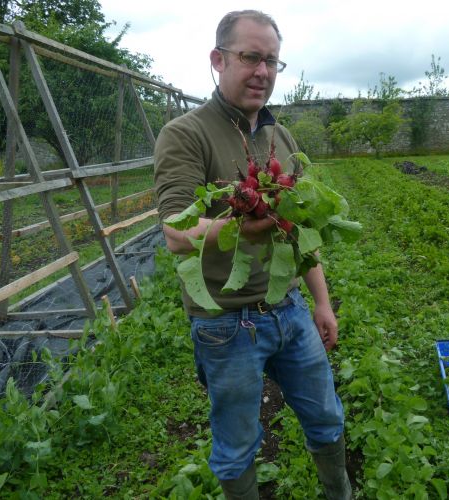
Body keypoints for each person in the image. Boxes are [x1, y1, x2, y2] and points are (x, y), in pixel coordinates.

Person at [154, 9, 352, 500]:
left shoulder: (278, 135)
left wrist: (322, 302)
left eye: (272, 61)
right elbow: (176, 231)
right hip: (225, 324)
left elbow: (302, 234)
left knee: (327, 418)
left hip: (290, 311)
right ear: (218, 60)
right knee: (238, 446)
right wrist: (244, 230)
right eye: (250, 57)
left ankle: (341, 493)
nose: (262, 71)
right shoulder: (186, 133)